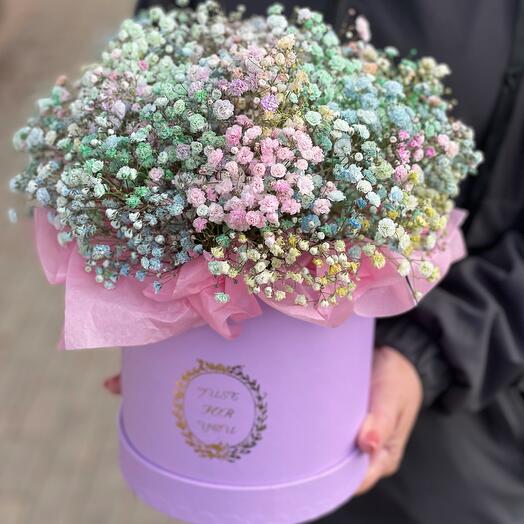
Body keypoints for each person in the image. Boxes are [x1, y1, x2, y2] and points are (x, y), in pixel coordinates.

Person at [129, 1, 524, 522]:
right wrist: (148, 326)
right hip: (214, 438)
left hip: (450, 450)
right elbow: (142, 108)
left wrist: (425, 354)